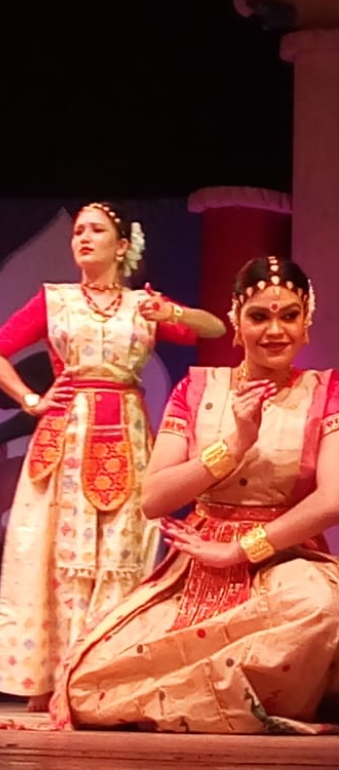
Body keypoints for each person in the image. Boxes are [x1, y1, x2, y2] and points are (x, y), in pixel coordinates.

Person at [49, 255, 339, 734]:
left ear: (306, 320)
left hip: (286, 558)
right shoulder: (198, 387)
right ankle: (225, 702)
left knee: (320, 612)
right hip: (198, 565)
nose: (275, 330)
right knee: (86, 680)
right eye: (259, 316)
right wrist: (235, 444)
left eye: (289, 315)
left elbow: (335, 499)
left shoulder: (324, 390)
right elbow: (155, 498)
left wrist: (241, 550)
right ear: (235, 321)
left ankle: (216, 702)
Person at [0, 201, 226, 712]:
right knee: (60, 558)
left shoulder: (140, 304)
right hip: (66, 439)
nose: (82, 237)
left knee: (123, 555)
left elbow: (213, 328)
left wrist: (171, 312)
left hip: (126, 433)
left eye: (96, 230)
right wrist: (30, 400)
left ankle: (103, 677)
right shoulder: (52, 301)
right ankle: (54, 679)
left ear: (122, 246)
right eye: (78, 230)